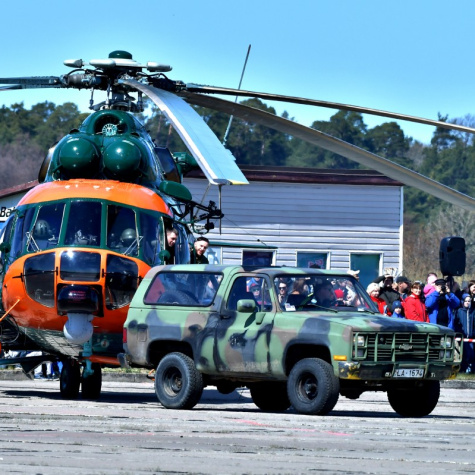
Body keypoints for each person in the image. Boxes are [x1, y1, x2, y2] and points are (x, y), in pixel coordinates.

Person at [455, 294, 475, 373]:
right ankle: (463, 369)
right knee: (463, 354)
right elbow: (456, 323)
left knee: (471, 354)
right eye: (466, 301)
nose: (467, 302)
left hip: (471, 338)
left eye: (469, 301)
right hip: (462, 337)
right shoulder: (459, 311)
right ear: (463, 302)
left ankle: (470, 368)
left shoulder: (472, 312)